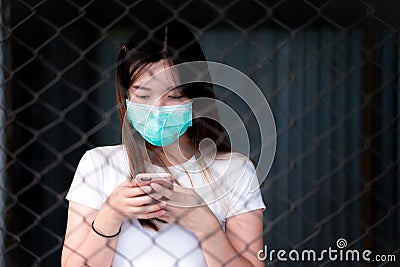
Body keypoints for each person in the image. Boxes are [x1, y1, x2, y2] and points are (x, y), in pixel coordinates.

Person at [62, 21, 266, 267]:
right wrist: (111, 215)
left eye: (173, 96)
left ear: (196, 96)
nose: (156, 108)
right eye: (143, 95)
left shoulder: (235, 170)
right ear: (126, 96)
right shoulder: (99, 164)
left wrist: (204, 224)